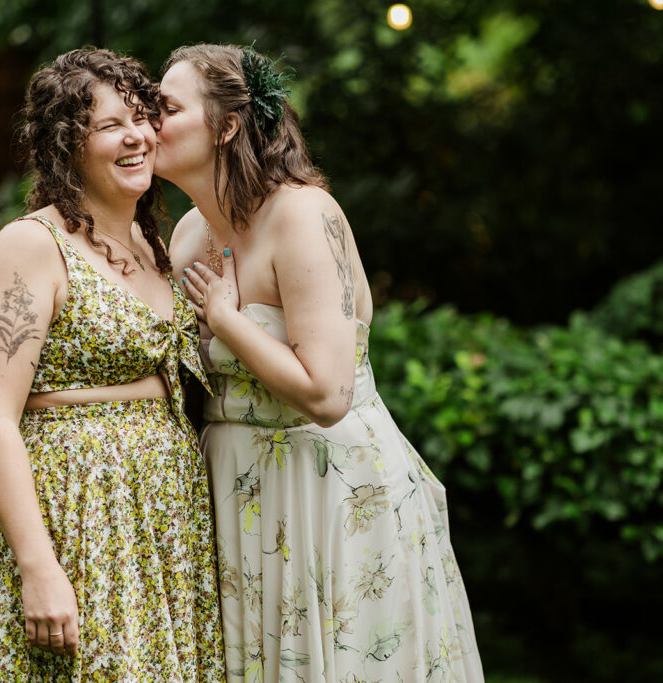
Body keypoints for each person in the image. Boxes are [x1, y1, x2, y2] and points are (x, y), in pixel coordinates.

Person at [155, 44, 485, 682]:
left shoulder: (303, 215)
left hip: (330, 488)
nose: (149, 122)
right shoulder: (189, 234)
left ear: (227, 126)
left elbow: (328, 393)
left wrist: (225, 321)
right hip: (237, 489)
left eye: (167, 107)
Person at [0, 48, 224, 682]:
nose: (136, 137)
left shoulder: (156, 243)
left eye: (141, 117)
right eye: (108, 126)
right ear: (67, 144)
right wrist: (38, 565)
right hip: (77, 516)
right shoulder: (30, 247)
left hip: (163, 521)